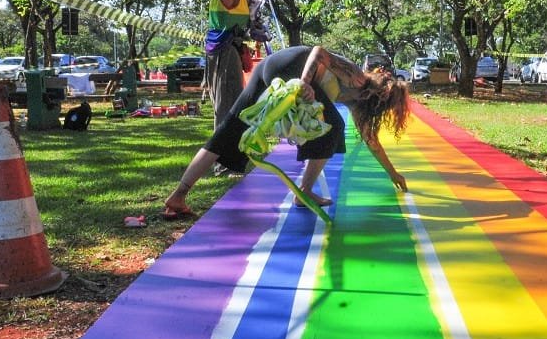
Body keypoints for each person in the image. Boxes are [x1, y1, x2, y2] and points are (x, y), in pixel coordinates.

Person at [161, 45, 409, 219]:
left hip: (270, 67)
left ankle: (178, 196)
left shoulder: (357, 102)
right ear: (379, 95)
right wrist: (304, 80)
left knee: (229, 130)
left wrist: (393, 173)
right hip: (288, 66)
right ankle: (305, 192)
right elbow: (318, 52)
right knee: (334, 126)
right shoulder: (356, 77)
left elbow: (371, 140)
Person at [205, 0, 263, 175]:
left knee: (236, 105)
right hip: (221, 50)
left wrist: (253, 26)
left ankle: (231, 159)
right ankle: (221, 163)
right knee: (226, 106)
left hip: (233, 49)